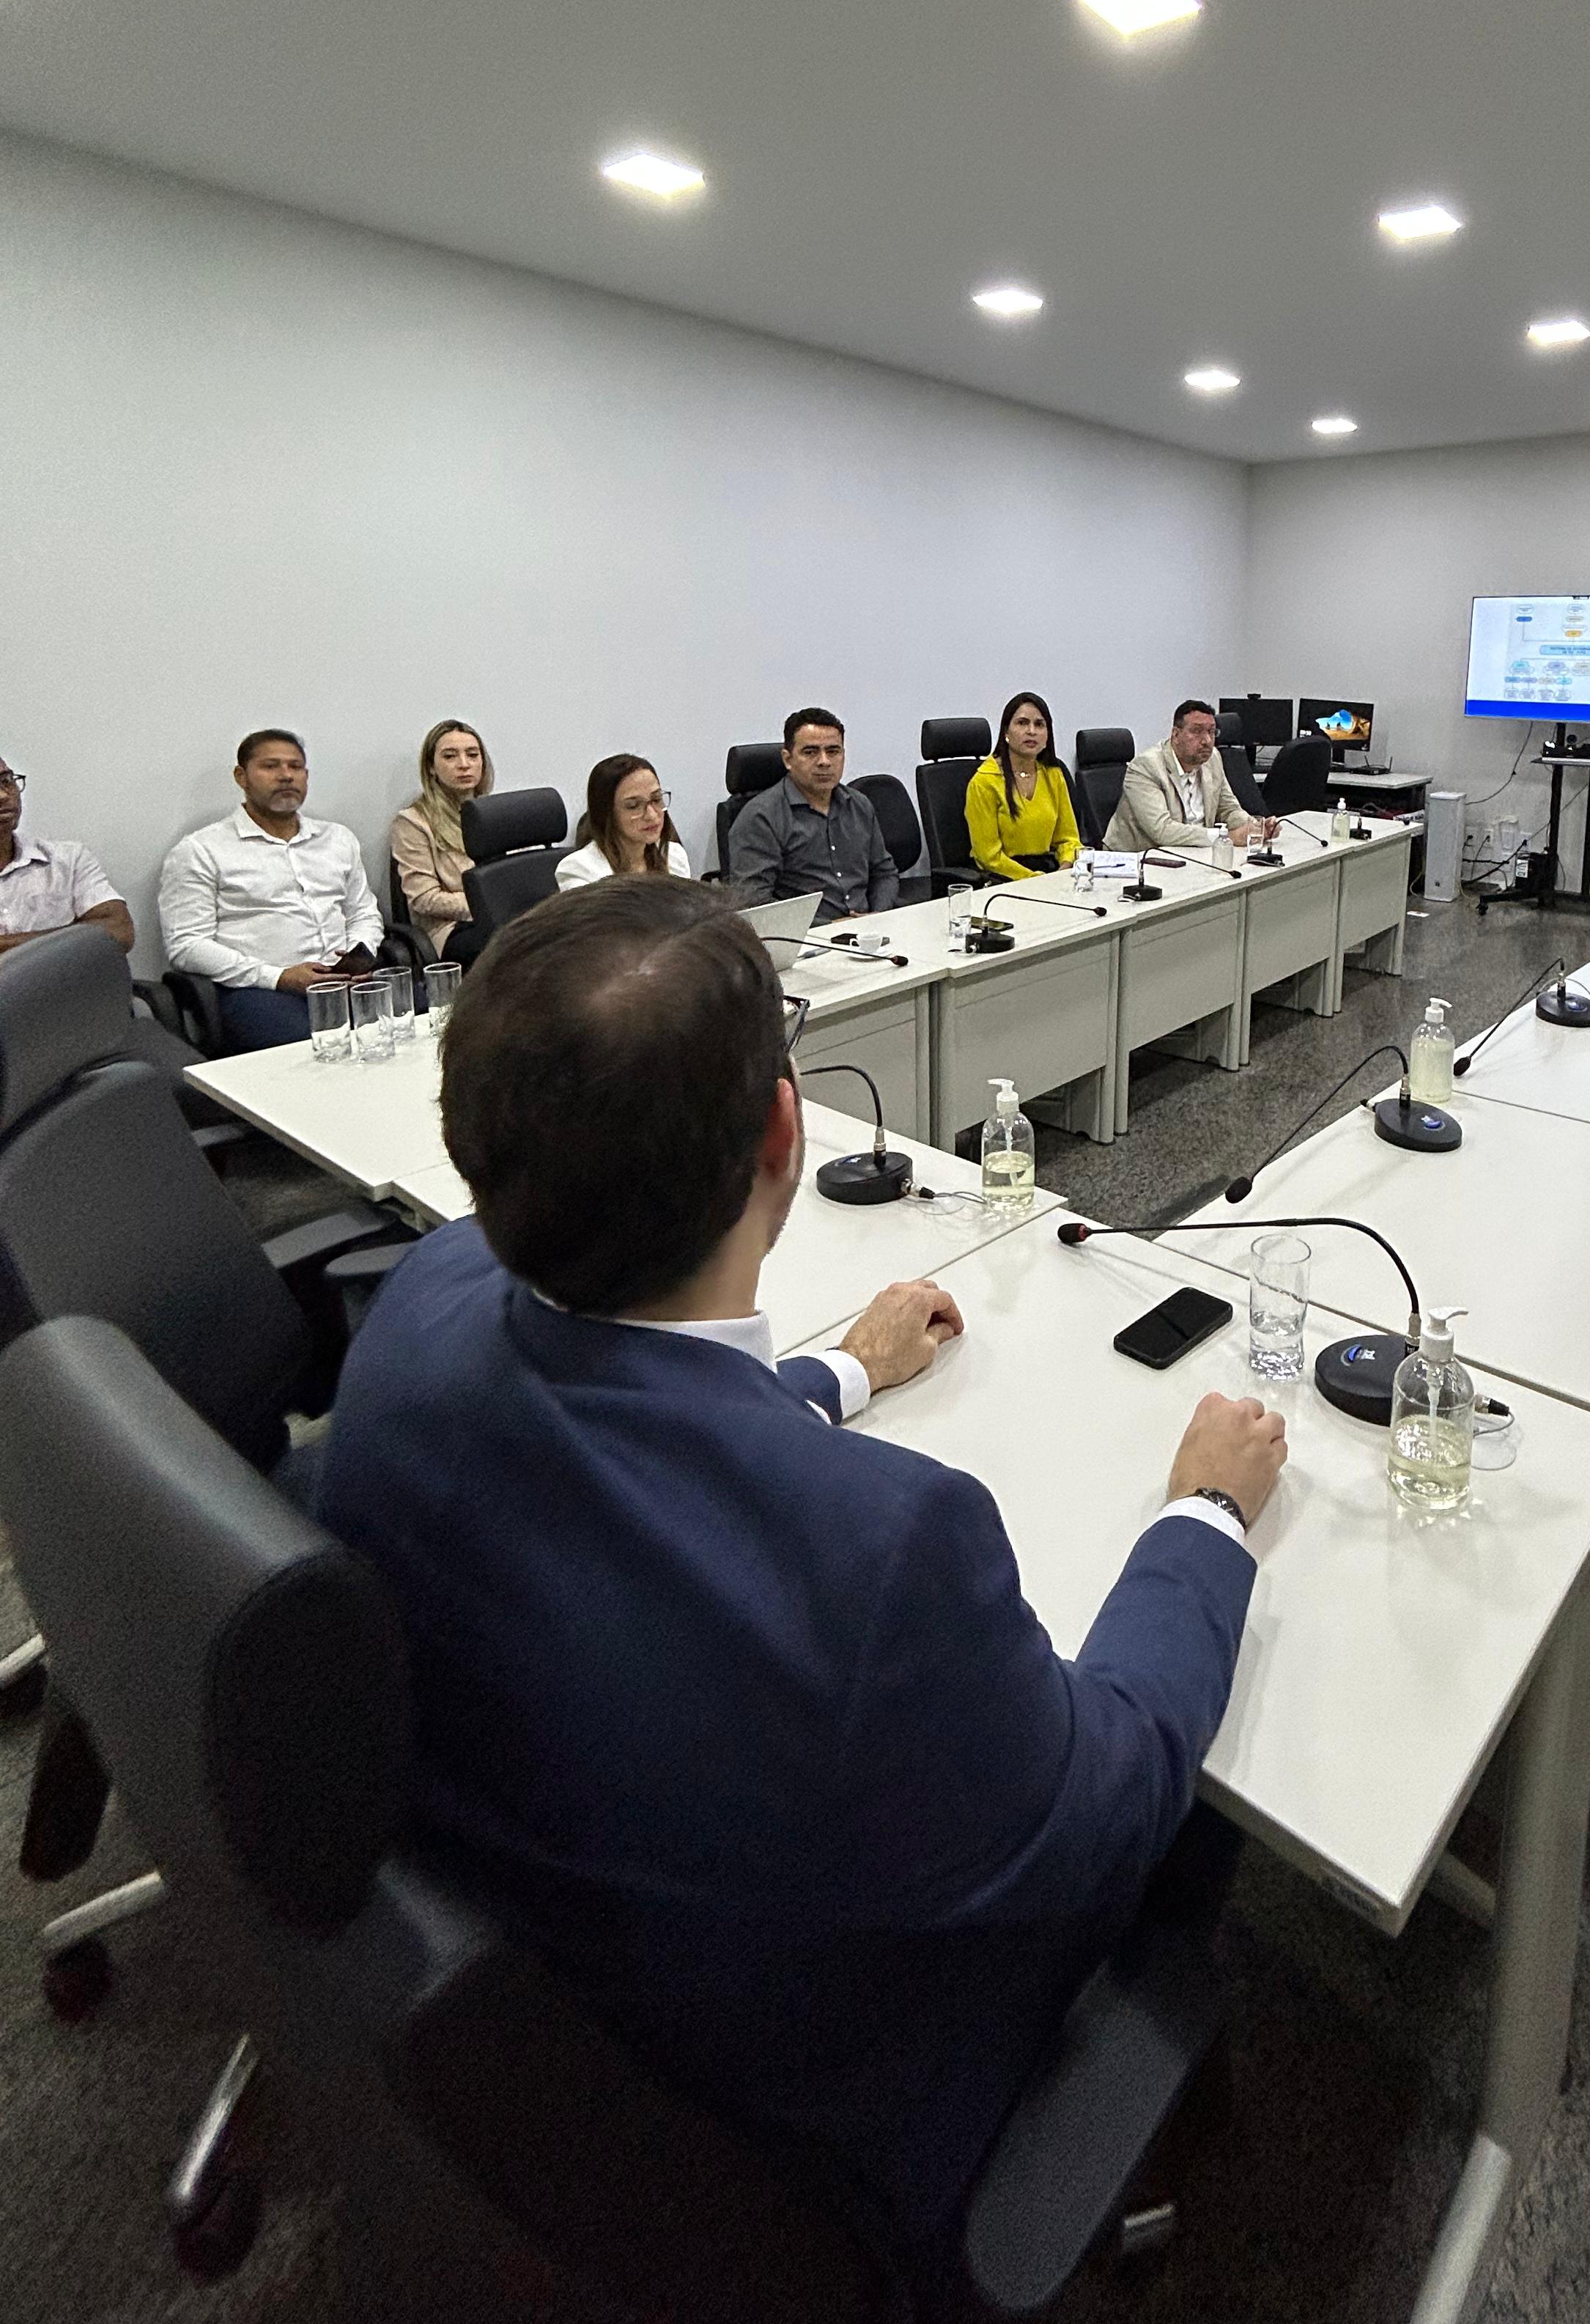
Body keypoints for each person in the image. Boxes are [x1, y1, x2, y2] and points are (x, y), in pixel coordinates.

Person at [314, 879, 1282, 2262]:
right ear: (785, 1130)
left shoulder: (414, 1309)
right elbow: (1103, 1804)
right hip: (789, 2121)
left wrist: (833, 1369)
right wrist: (1201, 1519)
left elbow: (623, 1407)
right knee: (1205, 1796)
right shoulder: (887, 1555)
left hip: (514, 1994)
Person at [158, 730, 383, 1049]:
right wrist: (278, 977)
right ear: (242, 776)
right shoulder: (200, 850)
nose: (286, 776)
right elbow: (187, 945)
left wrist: (362, 952)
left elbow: (363, 912)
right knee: (314, 1048)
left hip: (346, 981)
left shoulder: (338, 839)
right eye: (271, 766)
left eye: (295, 767)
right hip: (261, 991)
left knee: (432, 1016)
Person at [724, 709, 898, 919]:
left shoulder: (859, 805)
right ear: (788, 759)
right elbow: (754, 902)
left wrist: (878, 915)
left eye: (833, 751)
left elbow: (884, 873)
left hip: (869, 933)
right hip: (804, 941)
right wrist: (829, 928)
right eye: (810, 752)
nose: (824, 762)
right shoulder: (760, 817)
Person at [0, 750, 135, 954]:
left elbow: (120, 931)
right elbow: (98, 934)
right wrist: (77, 935)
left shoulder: (67, 860)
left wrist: (9, 946)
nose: (4, 795)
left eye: (6, 781)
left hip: (64, 985)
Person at [1106, 701, 1279, 855]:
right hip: (1139, 859)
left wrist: (1256, 827)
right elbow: (1162, 831)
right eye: (1197, 732)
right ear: (1176, 734)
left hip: (1194, 853)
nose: (1207, 740)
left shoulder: (1213, 759)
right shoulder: (1146, 767)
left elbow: (1228, 809)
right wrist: (1226, 837)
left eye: (1212, 732)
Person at [390, 719, 495, 960]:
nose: (464, 764)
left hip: (503, 917)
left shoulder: (495, 813)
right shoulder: (413, 822)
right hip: (451, 930)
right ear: (431, 767)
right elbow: (425, 899)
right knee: (513, 945)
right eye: (450, 756)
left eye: (472, 755)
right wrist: (489, 904)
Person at [965, 691, 1081, 880]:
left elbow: (1069, 839)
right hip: (1005, 879)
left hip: (1050, 875)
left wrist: (1064, 869)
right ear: (1006, 733)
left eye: (1039, 724)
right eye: (1022, 723)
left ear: (1047, 735)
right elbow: (988, 857)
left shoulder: (1053, 775)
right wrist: (1034, 880)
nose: (1032, 731)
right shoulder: (984, 782)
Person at [556, 754, 692, 890]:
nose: (651, 815)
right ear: (606, 813)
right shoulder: (579, 870)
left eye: (656, 800)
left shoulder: (675, 857)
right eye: (634, 806)